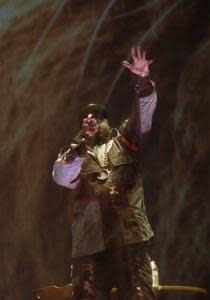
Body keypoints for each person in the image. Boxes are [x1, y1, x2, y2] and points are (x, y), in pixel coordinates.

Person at [52, 47, 157, 300]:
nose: (90, 120)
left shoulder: (124, 142)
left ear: (107, 121)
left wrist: (142, 82)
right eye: (85, 118)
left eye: (97, 116)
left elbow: (143, 118)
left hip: (130, 243)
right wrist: (80, 145)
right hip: (91, 250)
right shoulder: (72, 153)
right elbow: (61, 177)